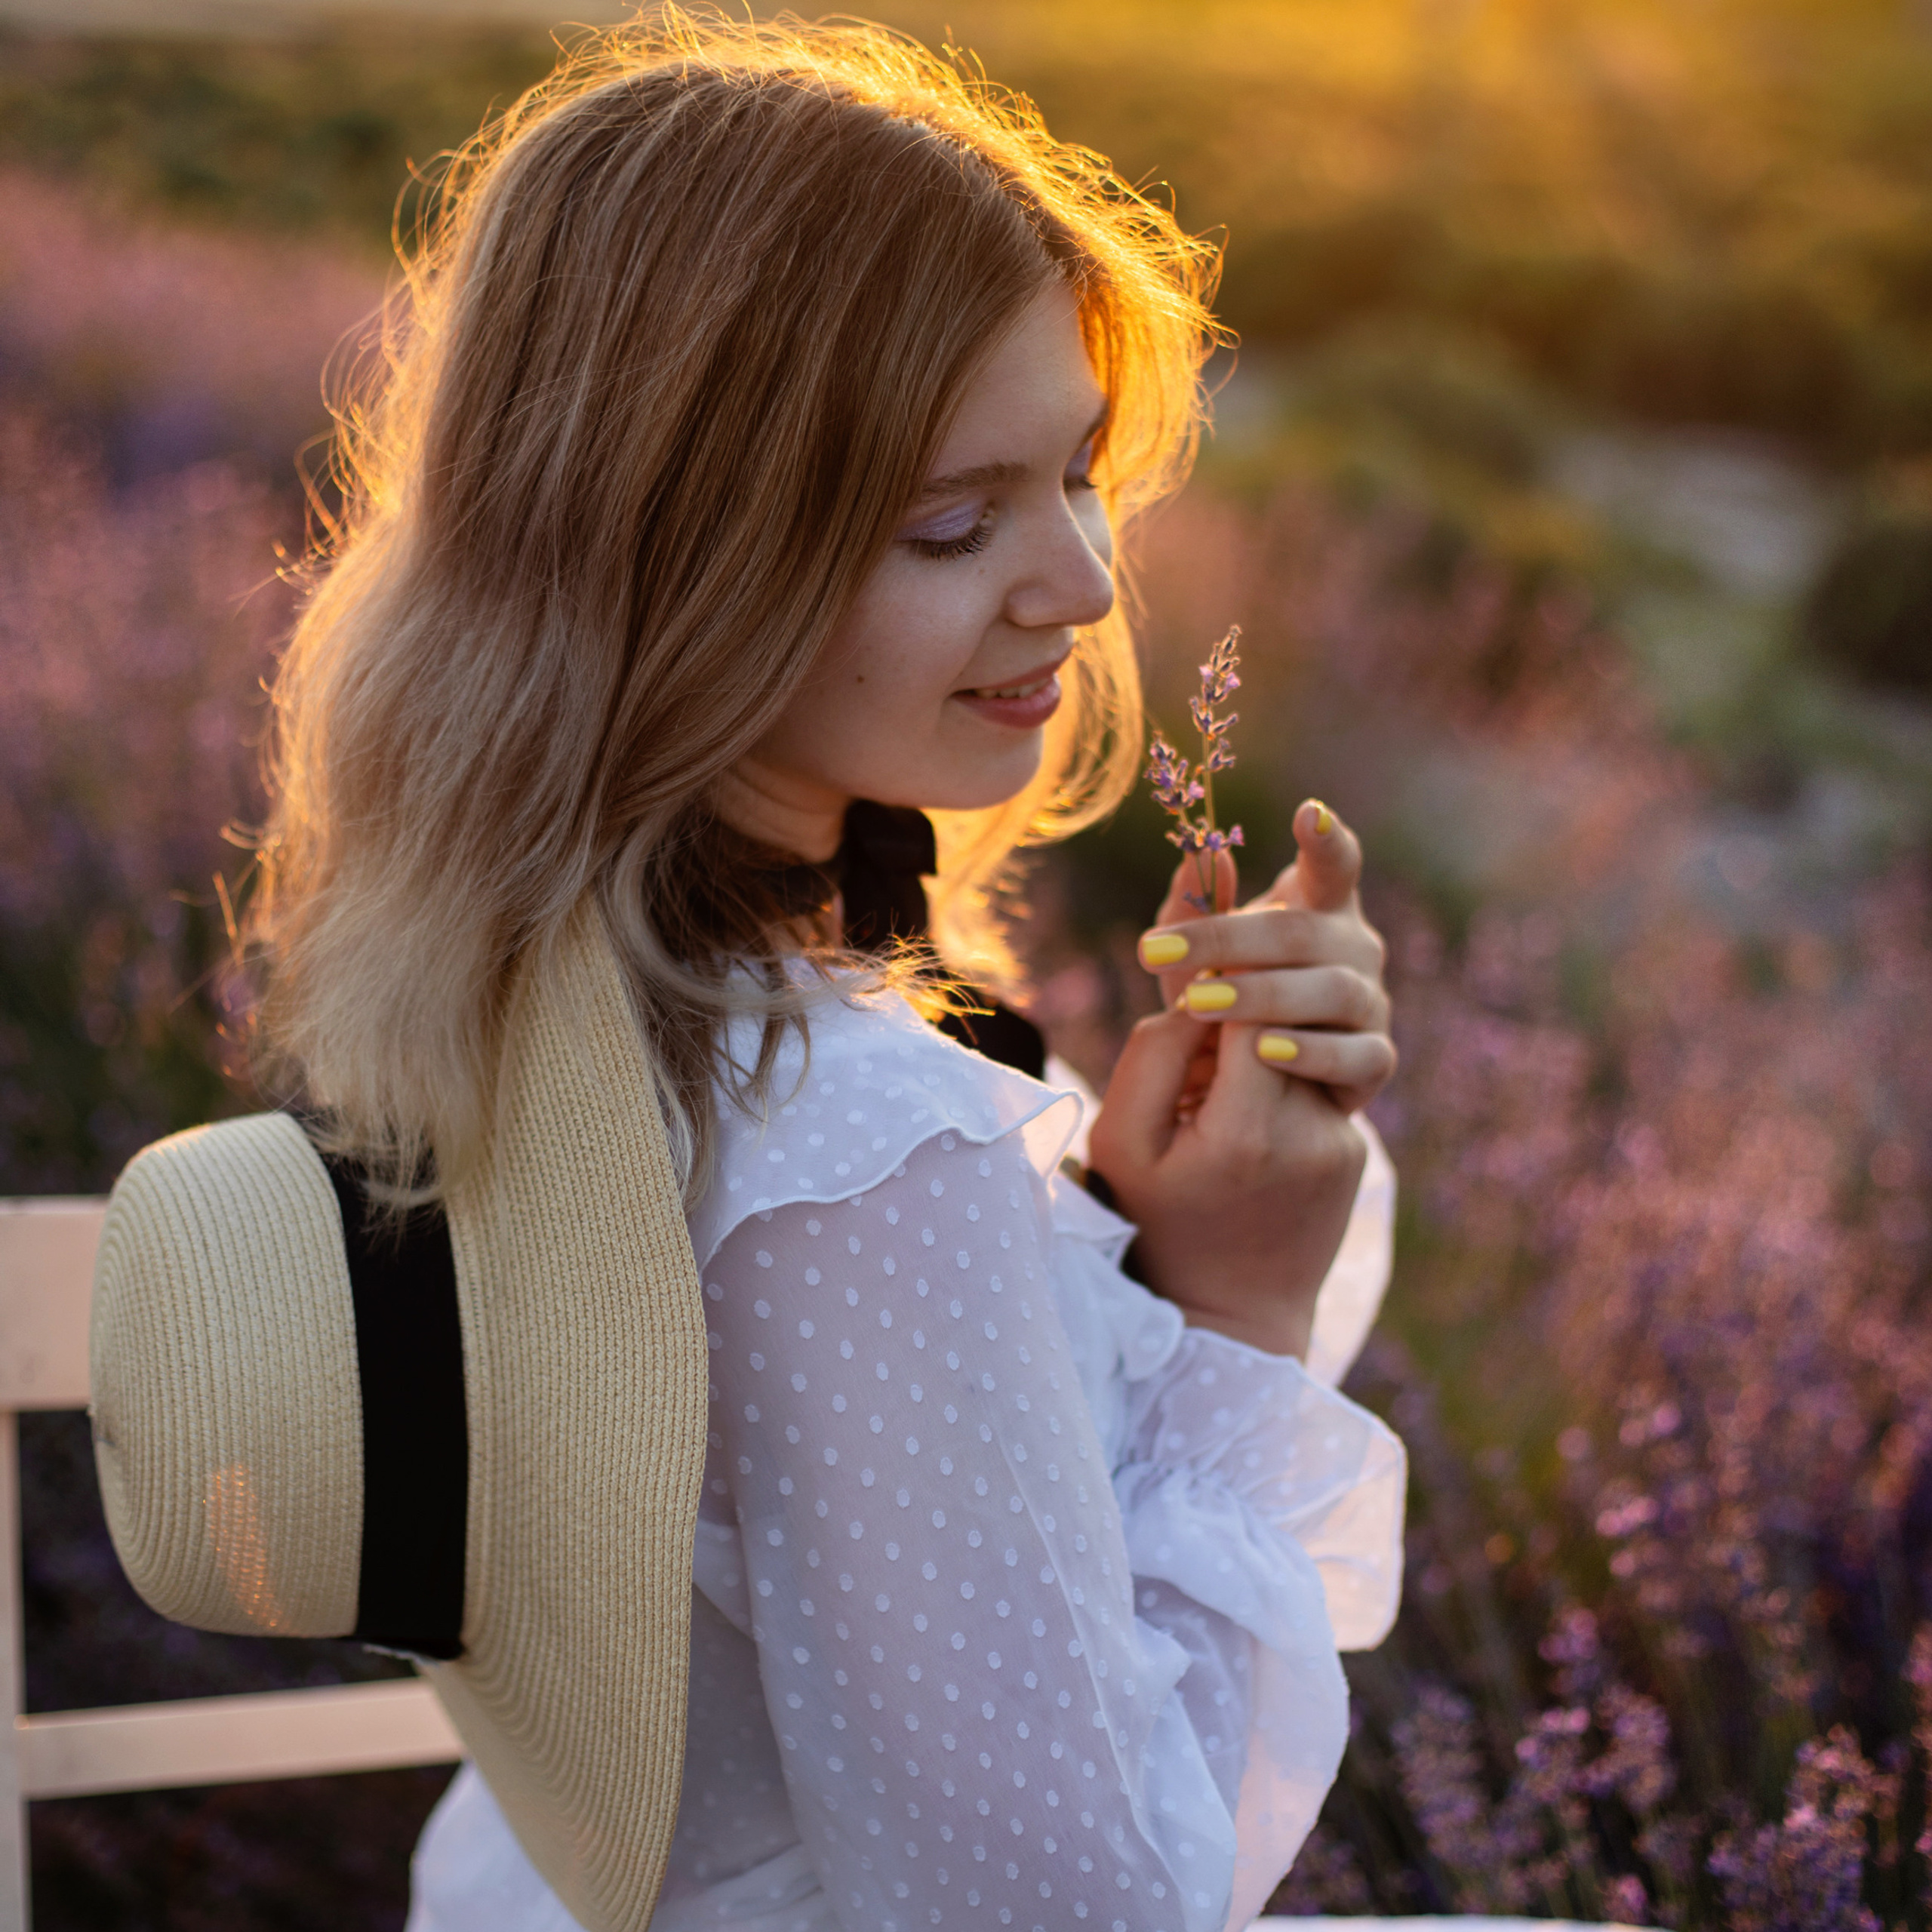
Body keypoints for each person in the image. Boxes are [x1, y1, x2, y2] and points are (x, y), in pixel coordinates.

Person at [245, 14, 1405, 1930]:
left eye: (1078, 472)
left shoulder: (511, 973)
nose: (1082, 581)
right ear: (675, 552)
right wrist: (1234, 1303)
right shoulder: (852, 1149)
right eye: (952, 521)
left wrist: (1122, 1216)